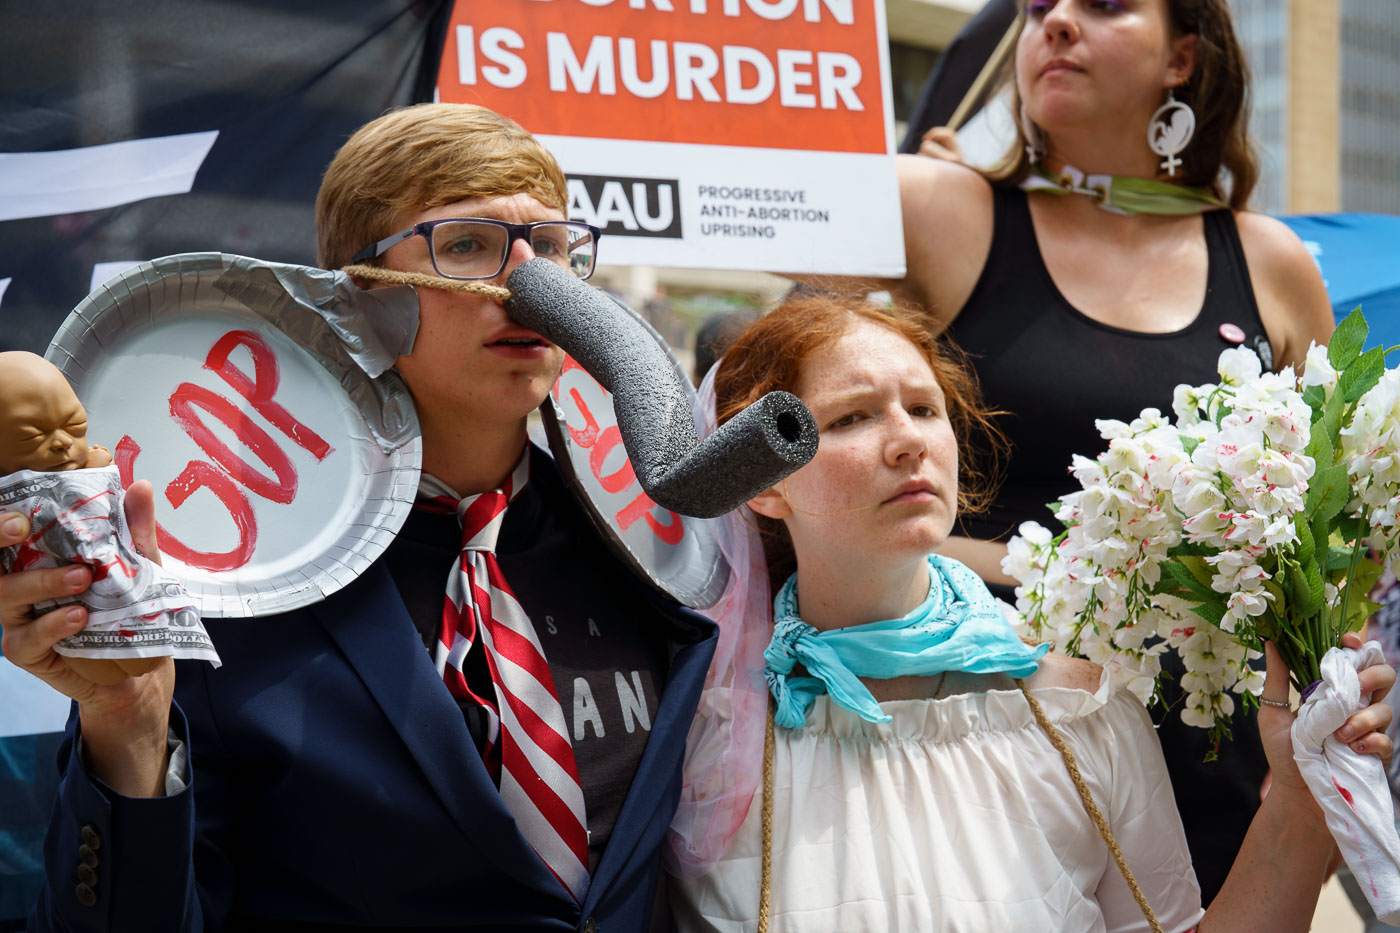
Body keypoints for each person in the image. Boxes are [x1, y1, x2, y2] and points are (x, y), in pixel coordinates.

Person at [1, 103, 718, 931]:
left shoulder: (644, 554)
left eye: (551, 249)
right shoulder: (228, 581)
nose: (534, 290)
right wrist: (127, 732)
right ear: (359, 296)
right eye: (468, 245)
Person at [668, 293, 1394, 932]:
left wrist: (1298, 802)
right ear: (763, 485)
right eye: (852, 417)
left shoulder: (1075, 706)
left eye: (925, 409)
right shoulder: (708, 728)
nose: (909, 440)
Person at [873, 0, 1336, 900]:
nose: (1055, 24)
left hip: (1212, 747)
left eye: (1105, 6)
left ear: (1183, 58)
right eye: (1039, 8)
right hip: (986, 722)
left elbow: (1323, 539)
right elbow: (733, 200)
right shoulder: (945, 206)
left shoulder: (1270, 259)